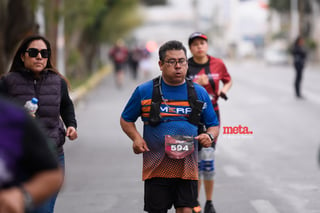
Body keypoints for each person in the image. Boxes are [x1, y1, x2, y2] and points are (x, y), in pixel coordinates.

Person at [120, 40, 220, 213]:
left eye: (182, 61)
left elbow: (213, 125)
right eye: (172, 62)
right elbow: (126, 119)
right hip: (156, 169)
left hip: (188, 170)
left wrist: (209, 136)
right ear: (160, 64)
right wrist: (136, 138)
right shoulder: (144, 91)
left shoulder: (199, 93)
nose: (178, 66)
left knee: (186, 210)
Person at [0, 34, 78, 213]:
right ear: (23, 56)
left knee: (43, 209)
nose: (39, 57)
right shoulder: (8, 82)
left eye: (44, 53)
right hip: (16, 159)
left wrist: (71, 125)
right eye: (34, 52)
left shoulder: (57, 82)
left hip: (51, 156)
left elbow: (66, 106)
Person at [187, 32, 232, 213]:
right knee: (194, 161)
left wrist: (223, 90)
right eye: (195, 44)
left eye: (202, 43)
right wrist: (197, 83)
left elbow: (228, 80)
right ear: (190, 48)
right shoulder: (186, 66)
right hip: (190, 119)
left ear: (207, 45)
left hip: (212, 117)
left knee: (208, 159)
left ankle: (209, 202)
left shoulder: (218, 63)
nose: (199, 46)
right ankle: (195, 202)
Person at [0, 95, 64, 213]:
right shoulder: (9, 81)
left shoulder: (13, 117)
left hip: (48, 146)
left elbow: (53, 175)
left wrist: (22, 197)